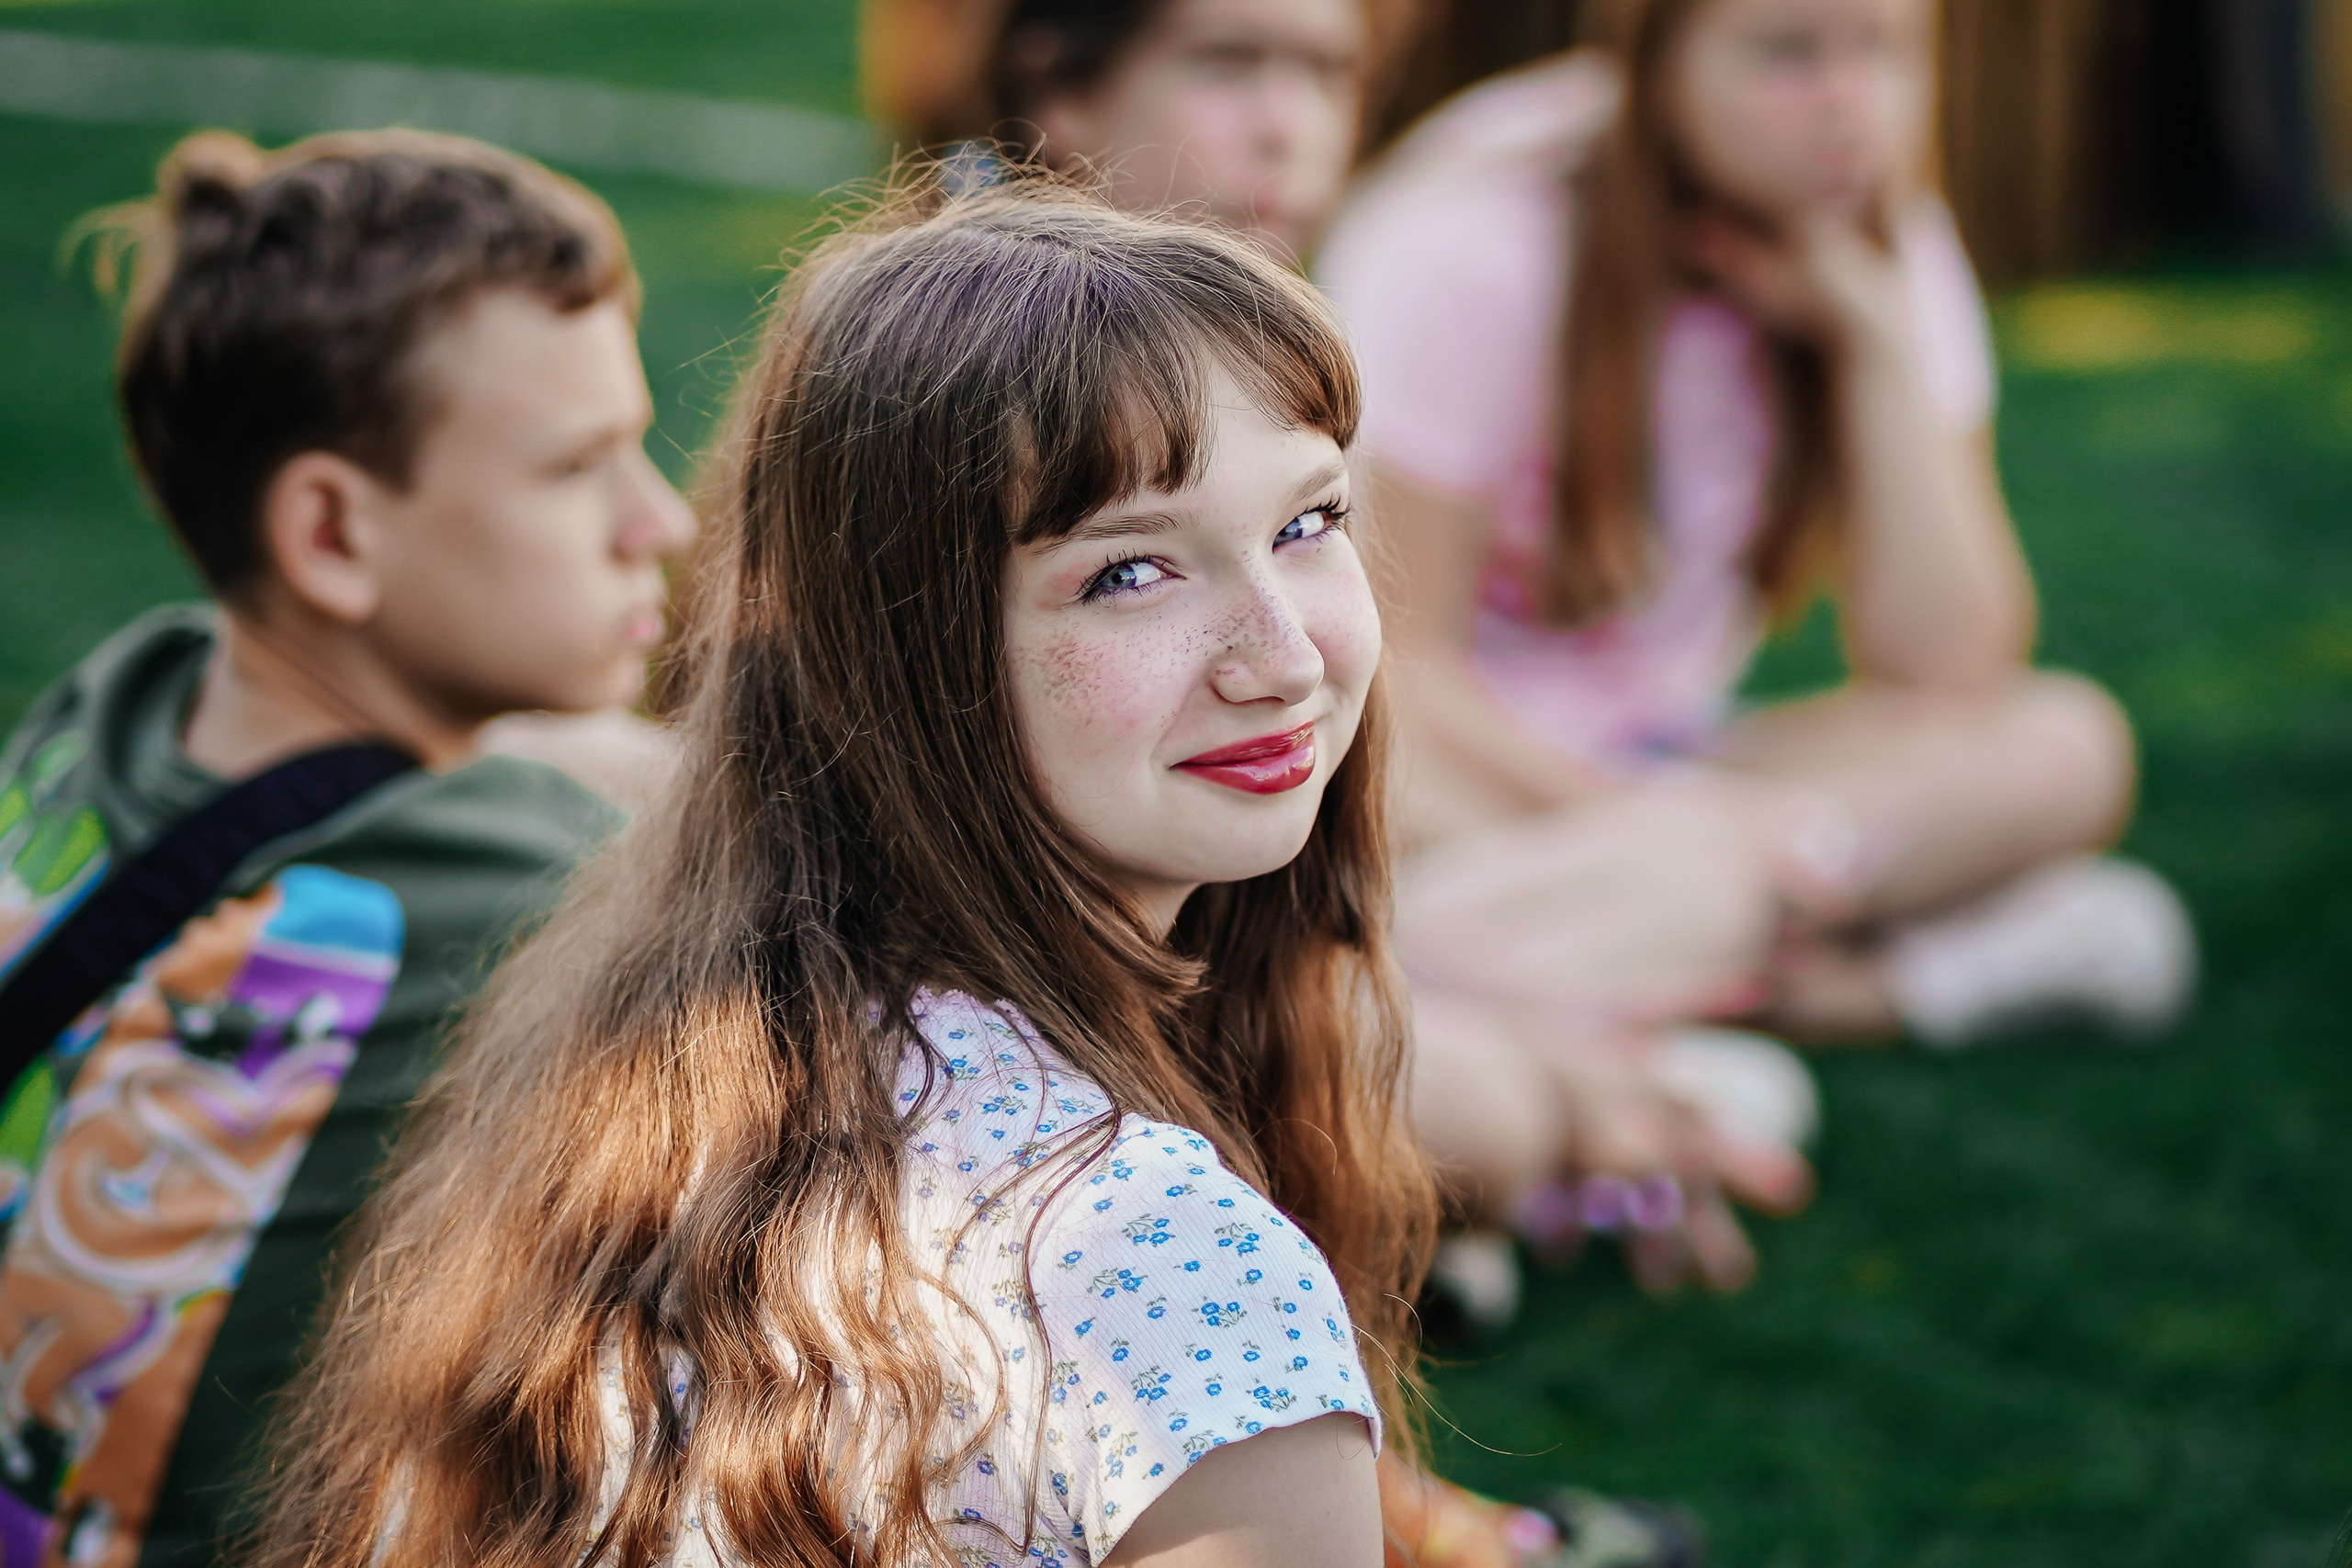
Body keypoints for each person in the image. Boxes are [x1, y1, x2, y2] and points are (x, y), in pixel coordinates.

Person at [233, 179, 1696, 1568]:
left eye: (1306, 523)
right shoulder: (1172, 1269)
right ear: (901, 652)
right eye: (1130, 571)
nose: (1287, 653)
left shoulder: (647, 1058)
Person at [1314, 0, 2195, 1289]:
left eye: (1882, 51)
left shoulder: (1879, 242)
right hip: (1443, 772)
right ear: (1655, 54)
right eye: (1788, 52)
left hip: (1663, 785)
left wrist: (1879, 341)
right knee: (1519, 829)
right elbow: (1393, 662)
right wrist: (1670, 835)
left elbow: (1950, 663)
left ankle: (1550, 1035)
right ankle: (1888, 980)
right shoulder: (1484, 236)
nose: (1846, 99)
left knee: (2063, 743)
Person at [0, 126, 695, 1566]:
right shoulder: (510, 888)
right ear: (329, 530)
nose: (661, 520)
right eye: (577, 468)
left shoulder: (118, 706)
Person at [860, 0, 1415, 257]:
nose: (1288, 130)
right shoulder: (951, 377)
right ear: (1061, 92)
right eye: (1227, 61)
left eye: (1331, 71)